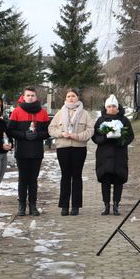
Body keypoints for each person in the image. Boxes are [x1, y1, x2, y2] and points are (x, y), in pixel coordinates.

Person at [48, 88, 94, 216]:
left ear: (78, 97)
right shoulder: (59, 113)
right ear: (65, 98)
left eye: (73, 96)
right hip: (63, 148)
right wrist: (61, 133)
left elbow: (90, 131)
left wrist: (77, 136)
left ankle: (75, 206)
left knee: (77, 176)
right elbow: (51, 129)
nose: (71, 98)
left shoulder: (85, 114)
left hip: (79, 148)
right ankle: (64, 206)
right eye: (68, 96)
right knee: (65, 176)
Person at [7, 87, 50, 216]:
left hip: (36, 151)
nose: (30, 97)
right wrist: (23, 135)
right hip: (22, 150)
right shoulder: (17, 111)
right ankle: (21, 206)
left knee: (33, 179)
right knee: (23, 179)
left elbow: (48, 132)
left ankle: (33, 205)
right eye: (28, 95)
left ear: (36, 97)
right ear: (23, 97)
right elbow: (11, 130)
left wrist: (38, 135)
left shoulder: (42, 112)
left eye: (32, 95)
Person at [92, 95, 134, 215]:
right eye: (109, 106)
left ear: (118, 107)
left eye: (114, 106)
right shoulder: (100, 120)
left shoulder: (124, 120)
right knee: (105, 179)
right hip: (104, 155)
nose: (111, 108)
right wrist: (105, 137)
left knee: (118, 179)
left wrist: (121, 140)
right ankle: (106, 205)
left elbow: (130, 135)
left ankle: (116, 204)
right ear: (106, 108)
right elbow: (95, 137)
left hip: (119, 154)